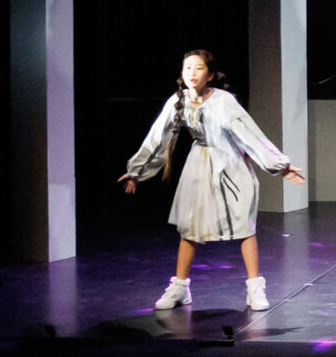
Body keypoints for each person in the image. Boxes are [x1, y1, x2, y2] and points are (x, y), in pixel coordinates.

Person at [119, 49, 306, 313]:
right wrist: (137, 171)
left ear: (209, 75)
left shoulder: (223, 101)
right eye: (187, 68)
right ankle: (180, 287)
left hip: (231, 164)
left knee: (244, 225)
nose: (192, 73)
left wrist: (279, 166)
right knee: (190, 227)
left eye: (198, 68)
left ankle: (255, 287)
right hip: (199, 166)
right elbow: (157, 137)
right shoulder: (179, 101)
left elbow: (249, 135)